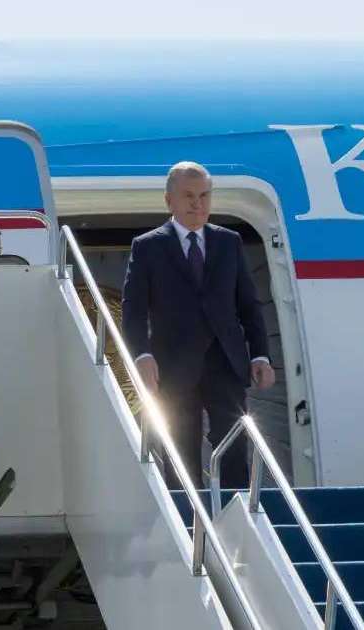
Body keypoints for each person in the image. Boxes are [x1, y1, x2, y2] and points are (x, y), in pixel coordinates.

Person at [121, 161, 274, 489]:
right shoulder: (147, 247)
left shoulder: (229, 242)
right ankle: (188, 524)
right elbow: (133, 310)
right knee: (179, 448)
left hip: (226, 362)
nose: (197, 204)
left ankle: (237, 518)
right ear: (169, 201)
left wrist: (261, 355)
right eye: (189, 196)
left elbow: (248, 305)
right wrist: (141, 355)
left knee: (234, 447)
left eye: (204, 196)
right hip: (173, 365)